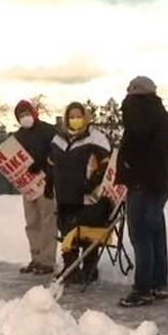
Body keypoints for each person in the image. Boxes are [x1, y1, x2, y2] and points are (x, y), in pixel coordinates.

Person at [116, 76, 168, 307]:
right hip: (158, 184)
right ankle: (159, 282)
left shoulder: (137, 116)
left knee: (140, 235)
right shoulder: (163, 118)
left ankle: (143, 287)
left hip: (141, 184)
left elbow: (135, 146)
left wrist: (129, 173)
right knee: (156, 234)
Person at [50, 102, 113, 284]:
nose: (75, 119)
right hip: (64, 195)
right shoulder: (58, 139)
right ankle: (72, 269)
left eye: (79, 116)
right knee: (67, 234)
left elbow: (106, 164)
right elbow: (51, 162)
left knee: (86, 234)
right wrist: (49, 181)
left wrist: (93, 181)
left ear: (85, 117)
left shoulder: (96, 138)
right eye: (72, 116)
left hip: (86, 196)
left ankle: (89, 269)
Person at [13, 99, 58, 275]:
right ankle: (36, 257)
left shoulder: (48, 130)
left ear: (34, 113)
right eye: (21, 115)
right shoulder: (18, 136)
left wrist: (43, 164)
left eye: (27, 113)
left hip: (46, 182)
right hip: (27, 184)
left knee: (48, 221)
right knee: (32, 222)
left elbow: (57, 152)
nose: (25, 117)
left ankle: (47, 260)